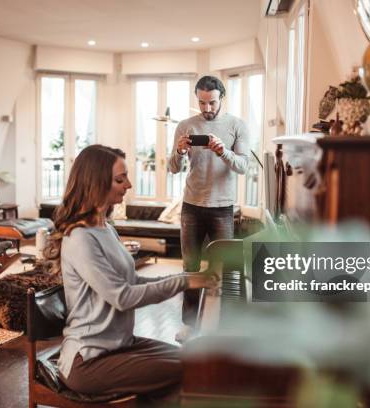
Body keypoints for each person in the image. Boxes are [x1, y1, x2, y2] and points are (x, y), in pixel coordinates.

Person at [45, 144, 215, 402]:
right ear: (96, 183)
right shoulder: (80, 237)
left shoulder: (106, 228)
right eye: (120, 179)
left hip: (120, 345)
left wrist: (187, 281)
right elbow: (123, 297)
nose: (129, 185)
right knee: (191, 369)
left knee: (195, 360)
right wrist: (185, 281)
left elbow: (133, 281)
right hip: (89, 360)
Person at [168, 75, 249, 328]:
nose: (207, 109)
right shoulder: (185, 126)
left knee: (224, 267)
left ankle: (223, 324)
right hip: (191, 206)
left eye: (212, 103)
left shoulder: (237, 125)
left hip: (222, 208)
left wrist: (223, 151)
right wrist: (180, 152)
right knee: (190, 267)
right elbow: (172, 168)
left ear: (221, 98)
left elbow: (243, 166)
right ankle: (189, 324)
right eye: (202, 103)